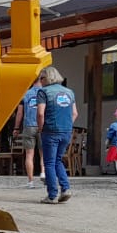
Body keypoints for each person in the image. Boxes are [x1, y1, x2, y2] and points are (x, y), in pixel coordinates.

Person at [36, 65, 77, 204]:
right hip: (66, 131)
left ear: (46, 78)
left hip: (50, 130)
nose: (40, 81)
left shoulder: (43, 92)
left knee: (49, 162)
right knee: (58, 160)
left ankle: (52, 195)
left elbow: (41, 113)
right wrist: (66, 125)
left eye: (41, 78)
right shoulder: (69, 92)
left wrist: (41, 129)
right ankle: (65, 189)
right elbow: (75, 113)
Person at [13, 75, 44, 187]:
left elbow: (20, 113)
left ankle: (30, 181)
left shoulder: (25, 94)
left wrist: (16, 128)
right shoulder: (45, 93)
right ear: (42, 80)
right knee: (43, 154)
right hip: (42, 126)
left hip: (28, 126)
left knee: (29, 155)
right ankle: (43, 173)